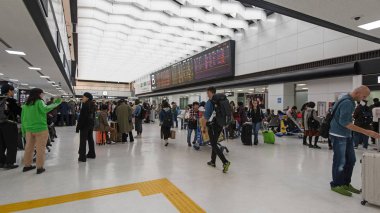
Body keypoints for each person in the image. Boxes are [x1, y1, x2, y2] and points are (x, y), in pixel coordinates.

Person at [329, 86, 380, 196]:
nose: (363, 98)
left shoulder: (347, 100)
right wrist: (366, 132)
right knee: (340, 161)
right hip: (339, 135)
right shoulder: (347, 102)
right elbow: (345, 123)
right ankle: (336, 184)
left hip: (346, 135)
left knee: (351, 160)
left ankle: (346, 183)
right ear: (357, 92)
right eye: (364, 96)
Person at [21, 88, 61, 174]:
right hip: (40, 129)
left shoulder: (26, 104)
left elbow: (23, 118)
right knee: (40, 149)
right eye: (42, 93)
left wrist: (23, 130)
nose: (43, 95)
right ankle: (39, 168)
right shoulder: (39, 102)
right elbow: (45, 109)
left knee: (28, 148)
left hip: (29, 129)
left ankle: (27, 165)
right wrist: (56, 103)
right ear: (38, 94)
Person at [204, 86, 230, 173]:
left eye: (207, 93)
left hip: (212, 125)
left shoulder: (210, 102)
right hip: (220, 124)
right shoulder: (220, 100)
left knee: (214, 144)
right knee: (214, 143)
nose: (207, 94)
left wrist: (204, 126)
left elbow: (207, 116)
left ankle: (225, 162)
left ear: (211, 92)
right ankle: (213, 161)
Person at [0, 84, 22, 169]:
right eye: (13, 91)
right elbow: (18, 111)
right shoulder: (10, 100)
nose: (13, 92)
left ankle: (1, 162)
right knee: (11, 144)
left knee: (1, 144)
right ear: (9, 91)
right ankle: (9, 163)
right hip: (9, 124)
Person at [76, 92, 96, 162]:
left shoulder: (85, 105)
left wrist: (78, 127)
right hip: (90, 125)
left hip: (84, 125)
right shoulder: (93, 104)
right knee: (90, 139)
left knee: (83, 140)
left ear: (87, 98)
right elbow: (93, 116)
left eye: (83, 97)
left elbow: (82, 117)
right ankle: (92, 153)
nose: (82, 98)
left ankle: (82, 157)